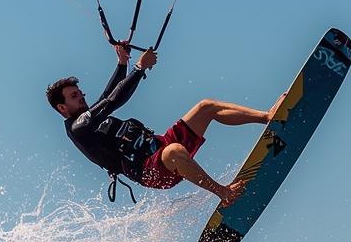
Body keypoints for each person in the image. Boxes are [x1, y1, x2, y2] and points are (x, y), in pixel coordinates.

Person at [46, 41, 286, 205]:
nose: (82, 97)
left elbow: (109, 93)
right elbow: (111, 100)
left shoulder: (90, 116)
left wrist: (122, 62)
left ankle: (266, 117)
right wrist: (139, 68)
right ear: (62, 108)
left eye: (80, 92)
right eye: (75, 96)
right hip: (150, 170)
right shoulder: (79, 128)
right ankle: (224, 193)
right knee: (175, 151)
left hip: (159, 145)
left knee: (206, 107)